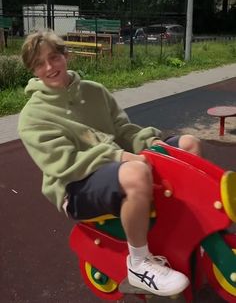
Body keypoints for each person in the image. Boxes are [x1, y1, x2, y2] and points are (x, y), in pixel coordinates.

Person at [18, 30, 201, 297]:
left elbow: (122, 130)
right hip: (74, 186)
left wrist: (151, 143)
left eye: (54, 57)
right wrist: (119, 157)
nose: (49, 67)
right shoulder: (32, 117)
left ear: (65, 56)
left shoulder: (95, 91)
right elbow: (64, 164)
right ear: (33, 70)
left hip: (117, 166)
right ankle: (139, 263)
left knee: (188, 144)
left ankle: (189, 228)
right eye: (39, 63)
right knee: (136, 173)